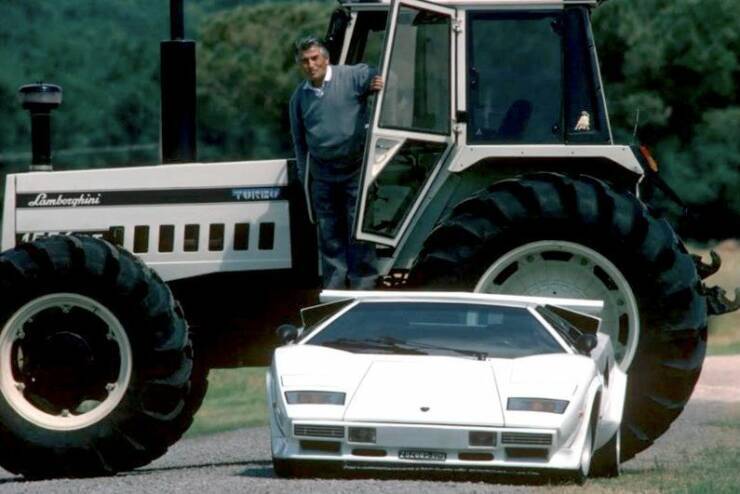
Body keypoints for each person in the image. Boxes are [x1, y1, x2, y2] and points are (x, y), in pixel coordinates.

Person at [289, 36, 382, 289]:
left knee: (358, 231)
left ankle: (365, 288)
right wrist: (302, 174)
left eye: (314, 58)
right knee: (329, 236)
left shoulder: (351, 77)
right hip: (322, 174)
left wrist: (380, 81)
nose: (310, 65)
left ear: (326, 58)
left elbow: (380, 73)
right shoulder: (299, 98)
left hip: (355, 170)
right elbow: (300, 142)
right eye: (304, 61)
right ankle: (335, 292)